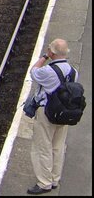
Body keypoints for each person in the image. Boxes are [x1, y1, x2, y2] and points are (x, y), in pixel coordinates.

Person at [26, 38, 79, 194]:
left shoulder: (47, 71)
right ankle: (55, 179)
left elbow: (33, 72)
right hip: (64, 112)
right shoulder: (74, 71)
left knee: (42, 147)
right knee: (57, 146)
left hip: (47, 112)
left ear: (52, 52)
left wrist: (44, 57)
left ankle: (44, 182)